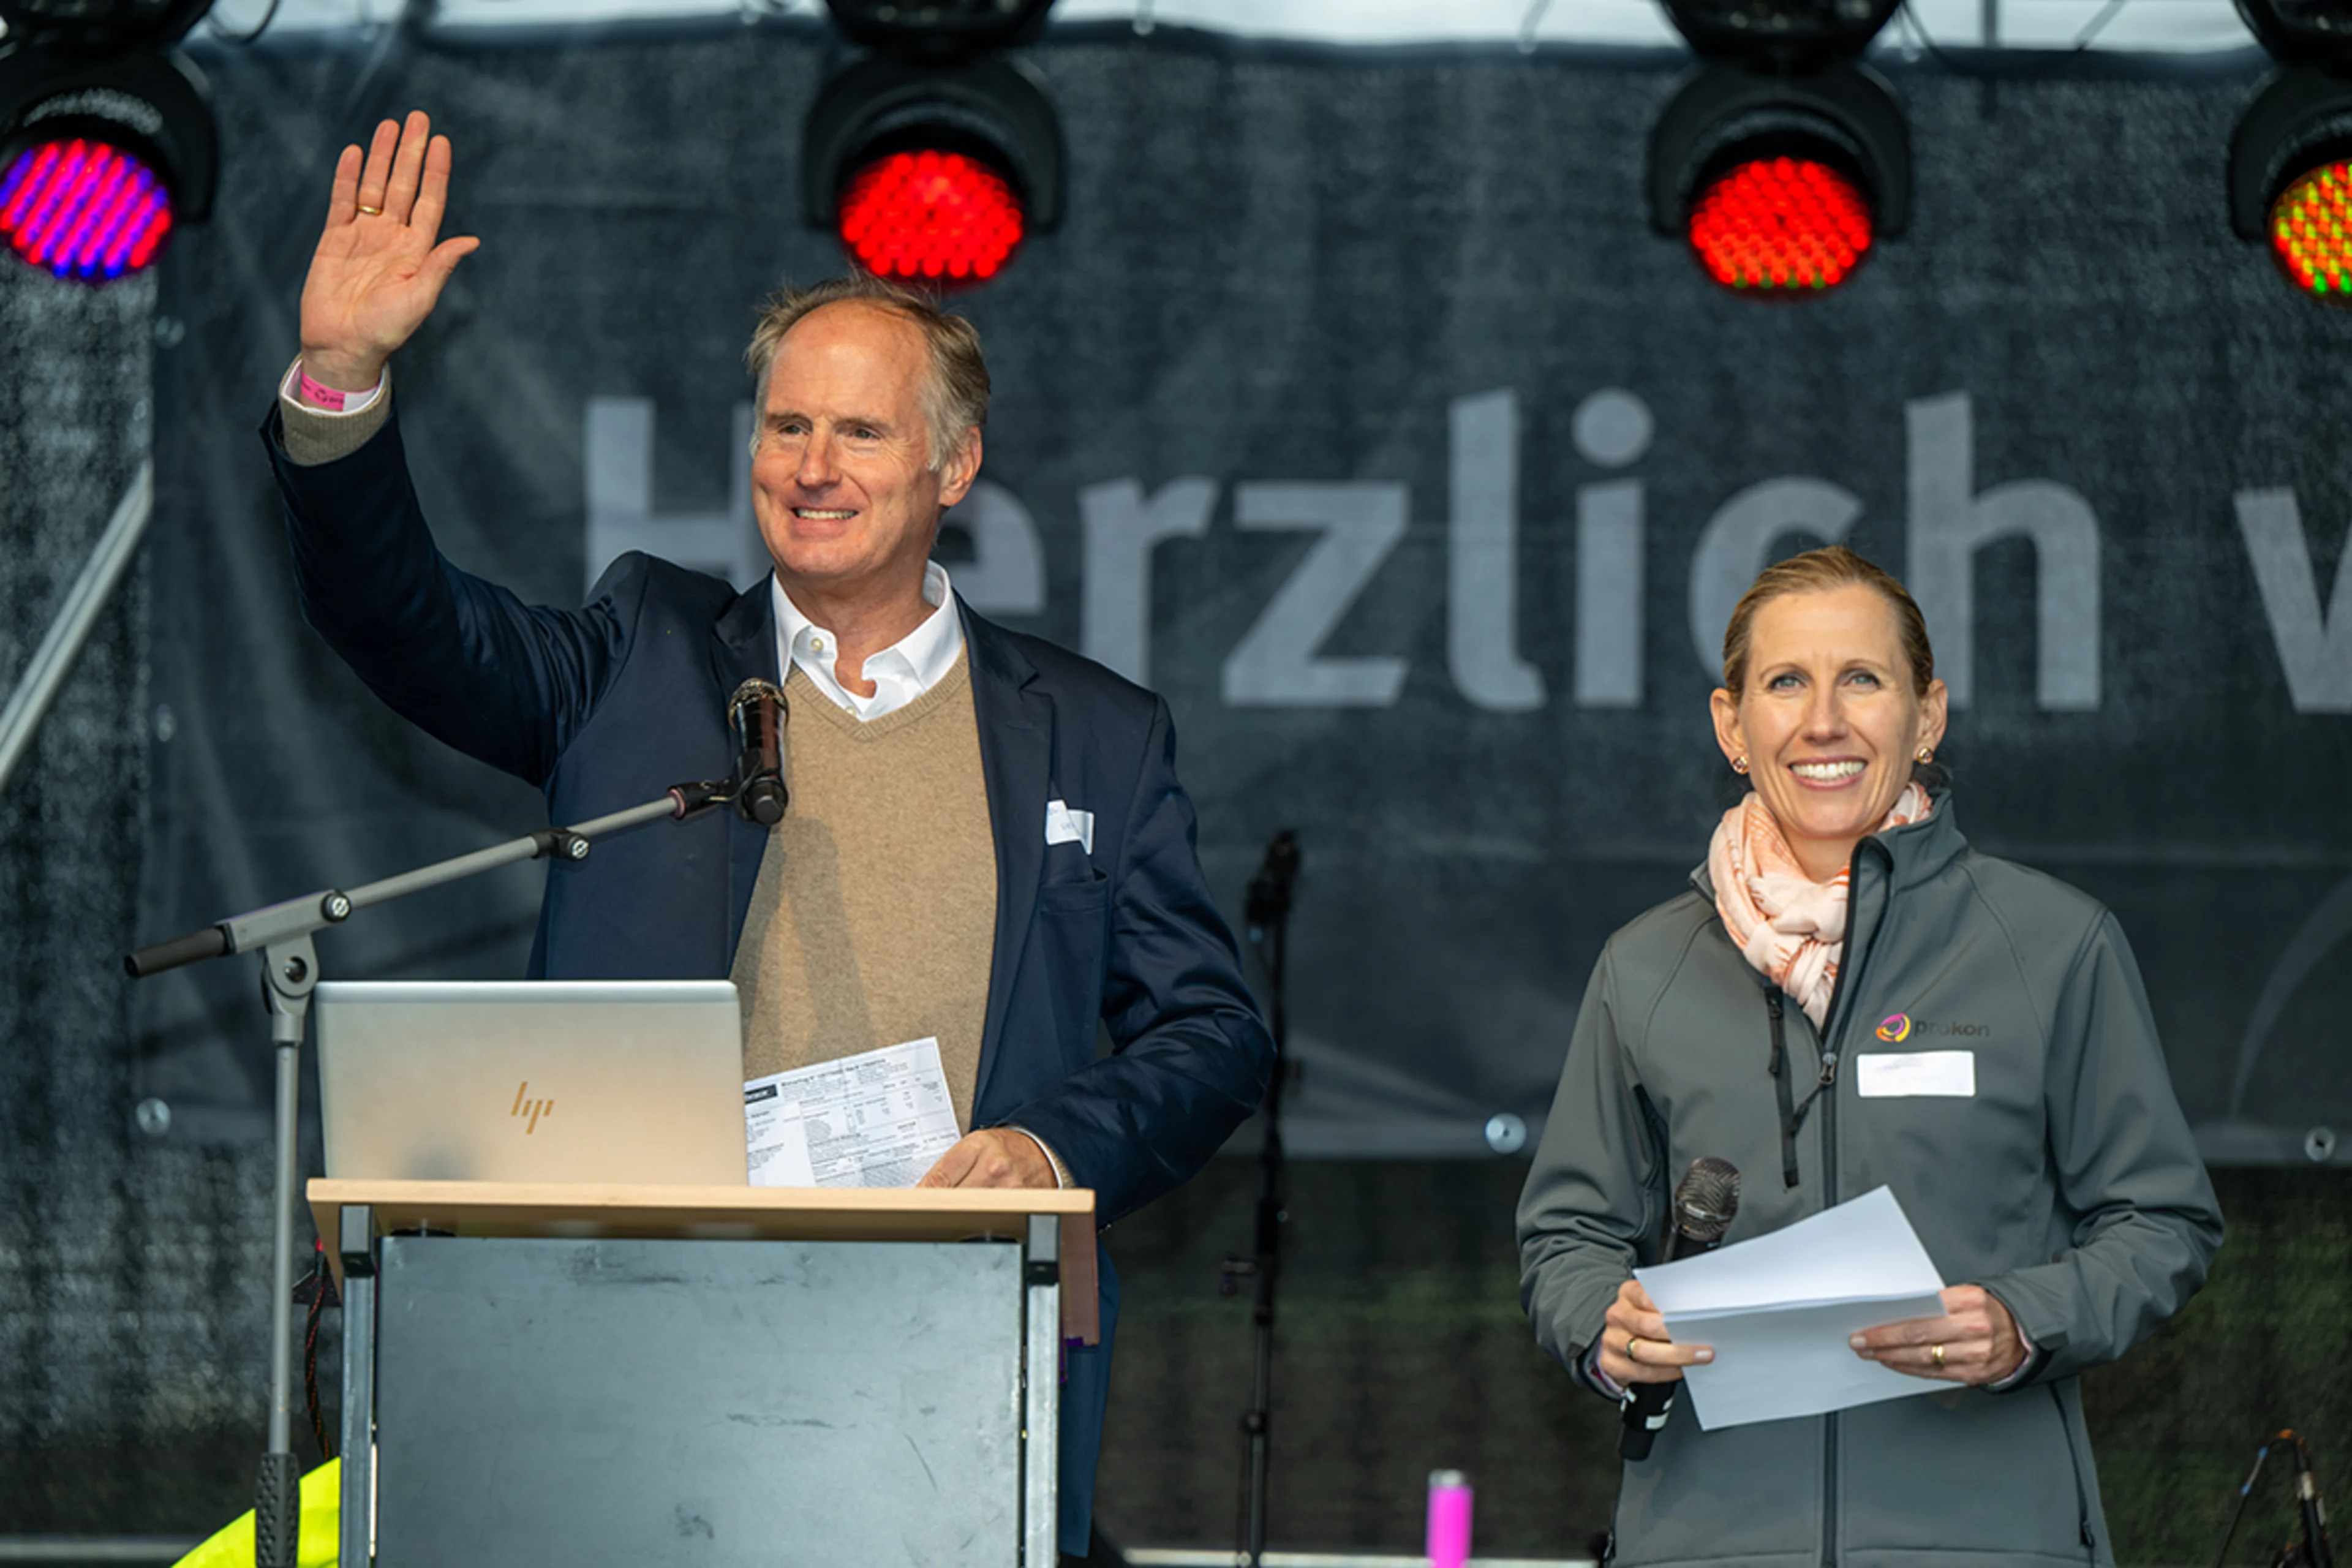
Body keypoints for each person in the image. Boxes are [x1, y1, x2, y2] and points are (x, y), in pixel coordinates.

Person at [267, 111, 1273, 1559]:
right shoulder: (643, 654)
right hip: (630, 1329)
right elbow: (400, 619)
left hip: (949, 1344)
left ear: (954, 464)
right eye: (786, 425)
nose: (813, 463)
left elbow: (1210, 1029)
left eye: (860, 429)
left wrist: (1054, 1139)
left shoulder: (1096, 733)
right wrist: (344, 379)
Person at [1516, 545, 2222, 1567]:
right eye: (1787, 682)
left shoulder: (2054, 944)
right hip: (1709, 1544)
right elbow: (1568, 1235)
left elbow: (2165, 1222)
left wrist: (2027, 1320)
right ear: (1732, 725)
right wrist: (1603, 1329)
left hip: (1986, 1540)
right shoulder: (1646, 966)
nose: (1824, 722)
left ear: (1927, 716)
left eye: (1863, 679)